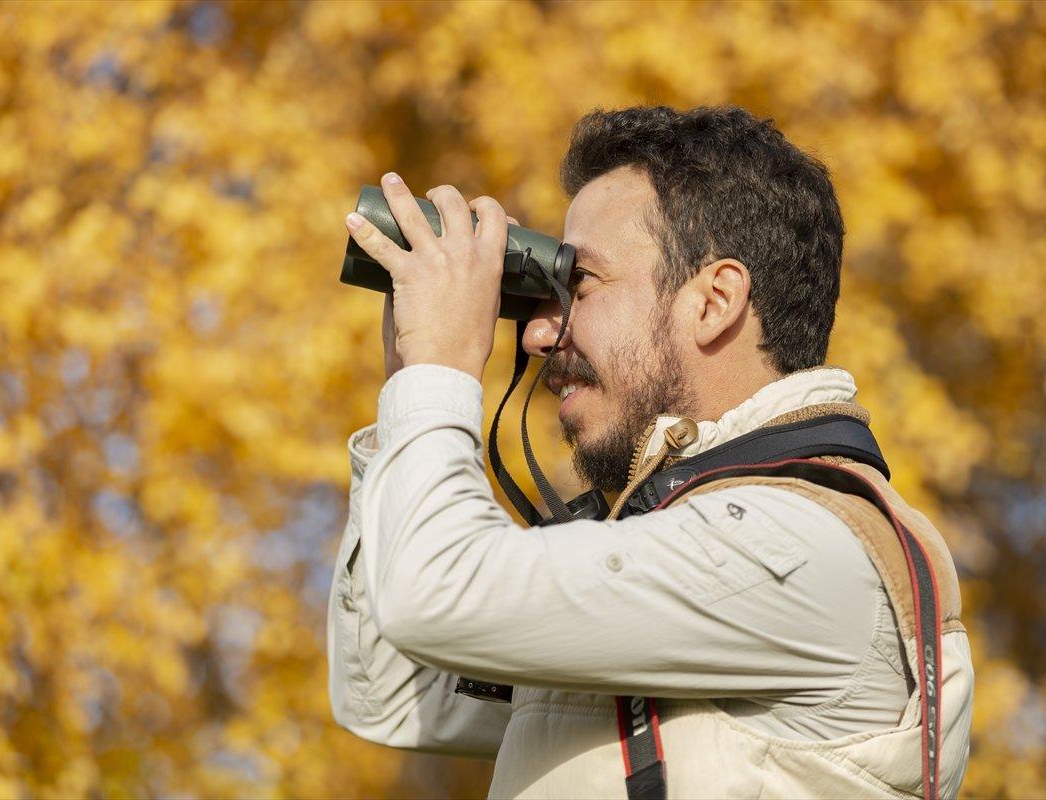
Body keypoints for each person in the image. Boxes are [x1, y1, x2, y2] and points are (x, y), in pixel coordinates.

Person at [328, 105, 973, 799]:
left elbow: (434, 598)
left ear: (713, 301)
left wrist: (442, 368)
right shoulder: (690, 560)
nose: (541, 334)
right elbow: (389, 690)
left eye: (580, 284)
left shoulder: (796, 546)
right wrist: (409, 379)